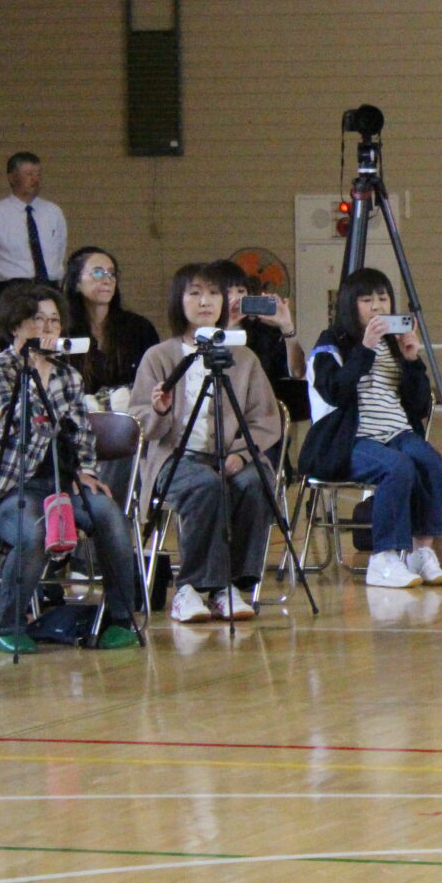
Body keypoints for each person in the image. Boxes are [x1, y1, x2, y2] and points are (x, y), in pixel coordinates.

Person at [0, 283, 140, 654]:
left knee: (109, 516)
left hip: (63, 485)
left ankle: (120, 619)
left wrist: (86, 469)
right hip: (9, 488)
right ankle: (10, 625)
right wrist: (32, 371)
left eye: (54, 320)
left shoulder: (68, 376)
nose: (49, 328)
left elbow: (82, 433)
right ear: (16, 326)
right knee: (33, 529)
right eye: (38, 320)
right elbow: (22, 426)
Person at [129, 264, 284, 624]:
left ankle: (230, 584)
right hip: (175, 458)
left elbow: (265, 419)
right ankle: (191, 587)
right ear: (178, 301)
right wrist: (158, 410)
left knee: (253, 482)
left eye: (214, 293)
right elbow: (139, 422)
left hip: (230, 456)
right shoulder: (160, 356)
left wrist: (242, 455)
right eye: (195, 293)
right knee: (205, 485)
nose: (205, 301)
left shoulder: (244, 358)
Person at [306, 268, 442, 589]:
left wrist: (412, 360)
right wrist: (365, 349)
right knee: (397, 468)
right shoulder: (332, 343)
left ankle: (419, 552)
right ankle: (382, 557)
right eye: (367, 299)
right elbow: (335, 391)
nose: (377, 307)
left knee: (431, 463)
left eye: (383, 298)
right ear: (349, 304)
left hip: (398, 431)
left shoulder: (394, 343)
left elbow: (419, 406)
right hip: (350, 440)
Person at [61, 246, 161, 408]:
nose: (107, 280)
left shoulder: (138, 328)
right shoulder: (64, 331)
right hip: (80, 418)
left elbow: (153, 380)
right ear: (77, 283)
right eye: (98, 272)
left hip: (131, 417)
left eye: (112, 274)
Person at [0, 152, 67, 312]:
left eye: (38, 174)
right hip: (12, 289)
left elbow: (59, 249)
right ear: (12, 178)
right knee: (14, 336)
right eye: (29, 174)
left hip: (48, 286)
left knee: (50, 334)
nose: (35, 179)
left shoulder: (53, 212)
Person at [208, 260, 304, 396]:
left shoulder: (265, 335)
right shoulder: (203, 335)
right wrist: (227, 326)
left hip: (258, 412)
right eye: (227, 292)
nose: (235, 298)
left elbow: (297, 373)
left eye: (241, 291)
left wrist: (287, 326)